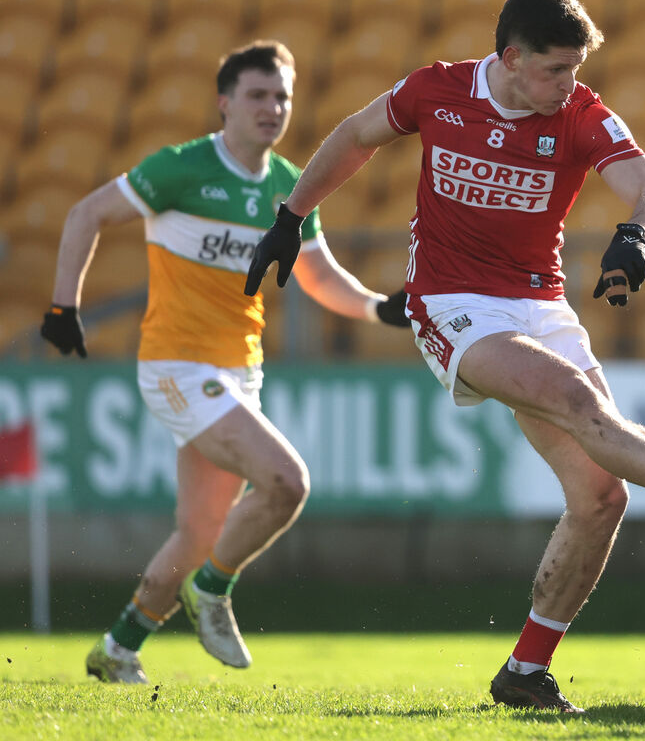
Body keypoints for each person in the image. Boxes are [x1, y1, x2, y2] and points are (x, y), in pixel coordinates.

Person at [242, 0, 645, 713]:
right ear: (511, 58)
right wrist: (291, 217)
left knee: (600, 497)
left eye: (575, 69)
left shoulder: (579, 112)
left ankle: (525, 673)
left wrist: (639, 232)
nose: (568, 84)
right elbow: (356, 136)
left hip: (539, 303)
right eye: (555, 69)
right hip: (450, 303)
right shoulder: (437, 90)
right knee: (577, 402)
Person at [40, 40, 410, 685]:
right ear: (224, 103)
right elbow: (86, 213)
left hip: (239, 371)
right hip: (176, 366)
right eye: (258, 95)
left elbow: (321, 278)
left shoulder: (291, 186)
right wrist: (62, 308)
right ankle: (212, 590)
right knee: (287, 482)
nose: (273, 108)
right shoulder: (181, 170)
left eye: (282, 97)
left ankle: (118, 649)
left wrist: (379, 309)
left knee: (199, 531)